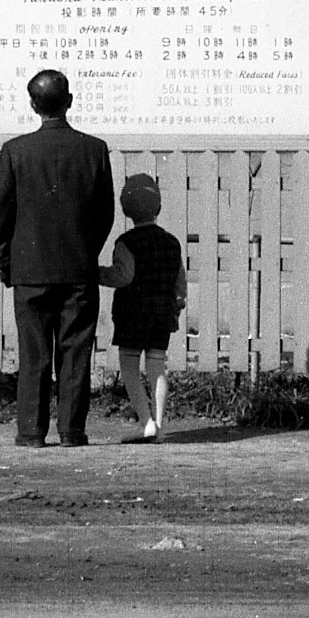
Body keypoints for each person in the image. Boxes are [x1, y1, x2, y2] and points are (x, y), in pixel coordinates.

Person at [0, 68, 115, 446]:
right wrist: (86, 251)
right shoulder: (94, 149)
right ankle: (72, 430)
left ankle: (31, 431)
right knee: (75, 353)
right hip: (78, 267)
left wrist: (4, 263)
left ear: (32, 105)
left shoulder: (15, 151)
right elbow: (104, 214)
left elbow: (0, 217)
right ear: (69, 101)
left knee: (33, 353)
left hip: (29, 270)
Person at [106, 175, 182, 440]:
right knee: (157, 368)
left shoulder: (126, 242)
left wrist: (96, 274)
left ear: (127, 209)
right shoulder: (172, 242)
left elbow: (123, 276)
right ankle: (159, 425)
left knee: (128, 365)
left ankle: (146, 421)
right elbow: (179, 283)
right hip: (162, 313)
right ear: (157, 207)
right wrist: (177, 307)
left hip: (133, 314)